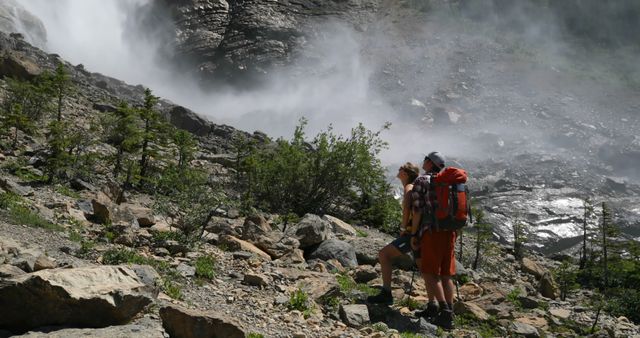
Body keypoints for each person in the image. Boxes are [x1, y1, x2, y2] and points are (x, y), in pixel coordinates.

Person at [411, 151, 456, 330]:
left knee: (430, 272)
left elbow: (418, 211)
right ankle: (442, 310)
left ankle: (444, 313)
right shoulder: (451, 183)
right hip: (450, 232)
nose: (423, 161)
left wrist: (414, 234)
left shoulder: (422, 181)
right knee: (446, 274)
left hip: (431, 231)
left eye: (425, 159)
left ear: (430, 163)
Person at [367, 162, 421, 304]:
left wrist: (403, 229)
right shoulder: (415, 187)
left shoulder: (409, 188)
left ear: (406, 173)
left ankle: (386, 293)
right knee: (424, 268)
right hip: (420, 233)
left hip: (411, 233)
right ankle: (436, 304)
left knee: (384, 254)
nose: (398, 170)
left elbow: (407, 210)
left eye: (401, 169)